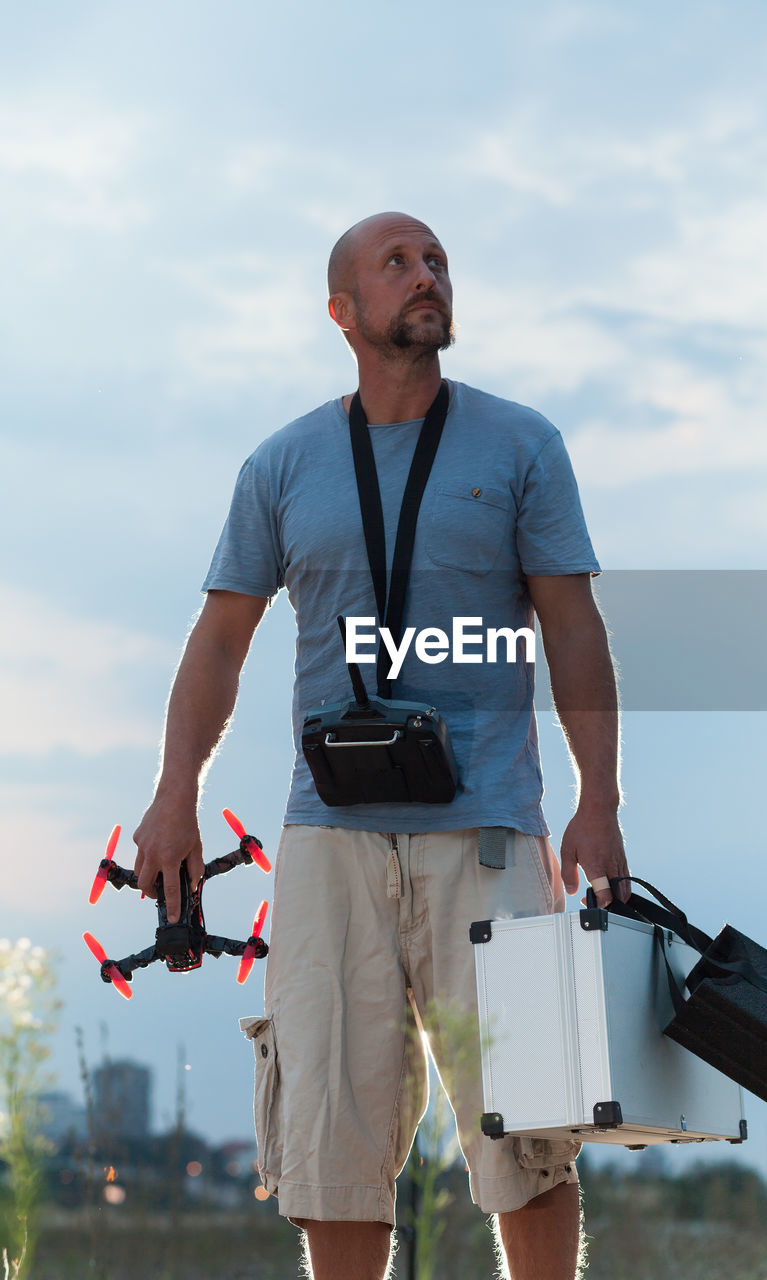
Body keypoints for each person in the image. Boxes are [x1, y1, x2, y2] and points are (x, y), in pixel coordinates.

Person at [133, 211, 629, 1280]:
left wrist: (600, 799)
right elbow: (220, 638)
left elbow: (572, 625)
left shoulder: (521, 443)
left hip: (487, 830)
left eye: (437, 260)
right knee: (330, 1133)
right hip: (330, 835)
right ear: (343, 313)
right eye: (396, 263)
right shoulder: (282, 464)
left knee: (528, 1127)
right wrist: (176, 791)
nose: (425, 276)